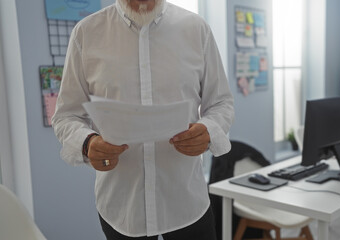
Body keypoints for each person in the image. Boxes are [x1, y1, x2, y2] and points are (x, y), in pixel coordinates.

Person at [51, 0, 234, 239]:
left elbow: (221, 103)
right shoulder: (86, 33)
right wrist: (87, 143)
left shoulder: (197, 29)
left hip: (187, 202)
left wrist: (208, 130)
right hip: (121, 208)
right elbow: (66, 115)